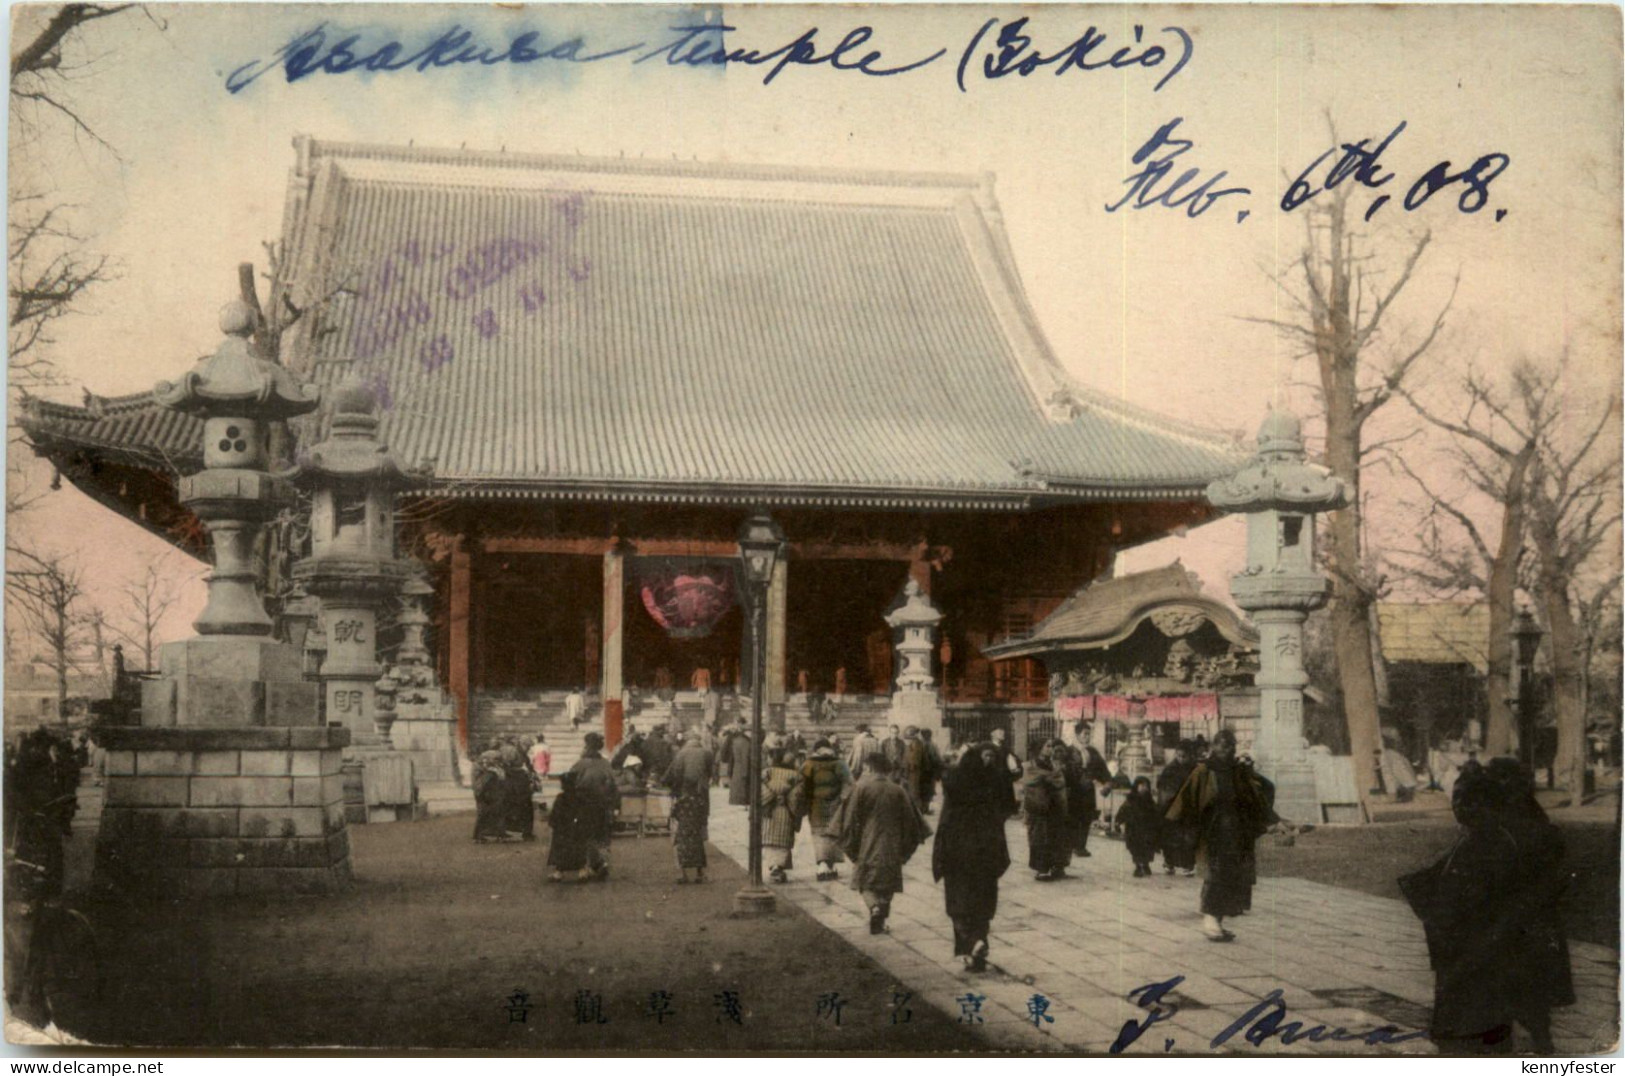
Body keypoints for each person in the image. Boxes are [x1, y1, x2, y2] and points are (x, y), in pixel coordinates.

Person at [1400, 759, 1574, 1053]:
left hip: (1505, 930)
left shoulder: (1501, 834)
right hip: (1505, 929)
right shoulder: (1495, 830)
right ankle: (1534, 1041)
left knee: (1511, 994)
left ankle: (1532, 1043)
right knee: (1517, 996)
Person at [1165, 729, 1277, 941]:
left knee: (1235, 877)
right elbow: (1185, 800)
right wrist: (1181, 829)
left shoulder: (1240, 771)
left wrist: (1268, 819)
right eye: (1222, 745)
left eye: (1231, 745)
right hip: (1213, 832)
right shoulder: (1203, 771)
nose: (1227, 749)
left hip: (1238, 832)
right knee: (1215, 876)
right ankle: (1210, 920)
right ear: (1213, 747)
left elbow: (1261, 793)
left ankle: (1218, 921)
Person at [932, 742, 1013, 971]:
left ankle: (970, 944)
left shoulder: (956, 783)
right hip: (986, 854)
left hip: (958, 855)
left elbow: (946, 823)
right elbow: (1002, 816)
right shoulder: (994, 783)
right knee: (982, 904)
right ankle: (977, 949)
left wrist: (940, 856)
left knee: (959, 904)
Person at [836, 753, 930, 934]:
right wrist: (906, 848)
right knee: (888, 882)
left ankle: (874, 908)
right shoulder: (898, 790)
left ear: (870, 768)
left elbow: (849, 820)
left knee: (865, 882)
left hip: (868, 841)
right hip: (892, 842)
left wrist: (851, 847)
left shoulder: (861, 788)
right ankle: (881, 915)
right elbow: (911, 822)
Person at [562, 731, 618, 881]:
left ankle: (591, 865)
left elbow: (570, 782)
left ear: (587, 745)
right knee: (601, 835)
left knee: (585, 835)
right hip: (602, 803)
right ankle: (601, 862)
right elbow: (613, 785)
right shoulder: (605, 764)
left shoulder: (580, 764)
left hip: (584, 803)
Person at [664, 731, 714, 884]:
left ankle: (683, 873)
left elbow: (673, 774)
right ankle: (700, 872)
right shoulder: (707, 753)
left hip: (684, 797)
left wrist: (671, 788)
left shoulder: (681, 753)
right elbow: (710, 773)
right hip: (701, 797)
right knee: (699, 833)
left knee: (680, 835)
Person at [799, 738, 851, 880]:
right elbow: (848, 783)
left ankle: (822, 864)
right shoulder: (839, 763)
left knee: (819, 833)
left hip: (816, 804)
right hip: (835, 804)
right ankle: (831, 864)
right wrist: (843, 798)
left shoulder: (809, 763)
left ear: (816, 750)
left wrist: (805, 802)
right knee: (833, 832)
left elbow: (801, 784)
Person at [1022, 739, 1072, 881]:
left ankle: (1058, 867)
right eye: (1048, 746)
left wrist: (1048, 778)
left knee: (1057, 836)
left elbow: (1060, 781)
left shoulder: (1055, 764)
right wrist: (1050, 777)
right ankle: (1041, 869)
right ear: (1039, 748)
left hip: (1055, 806)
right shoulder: (1030, 765)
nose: (1051, 749)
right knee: (1040, 837)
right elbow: (1031, 780)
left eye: (1052, 746)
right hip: (1039, 806)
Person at [760, 748, 803, 883]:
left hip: (769, 811)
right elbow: (797, 795)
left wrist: (771, 796)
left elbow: (760, 790)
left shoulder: (766, 773)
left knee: (769, 839)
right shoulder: (796, 776)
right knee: (783, 841)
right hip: (786, 811)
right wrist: (786, 800)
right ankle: (779, 867)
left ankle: (773, 866)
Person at [1157, 741, 1199, 875]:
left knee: (1189, 838)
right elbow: (1163, 787)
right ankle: (1169, 863)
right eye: (1179, 756)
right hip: (1171, 808)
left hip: (1189, 810)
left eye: (1184, 756)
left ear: (1190, 756)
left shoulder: (1195, 769)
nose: (1181, 759)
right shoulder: (1170, 769)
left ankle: (1188, 865)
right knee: (1170, 837)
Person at [1118, 776, 1162, 877]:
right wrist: (1119, 822)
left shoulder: (1150, 801)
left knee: (1148, 848)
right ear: (1136, 786)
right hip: (1134, 830)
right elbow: (1123, 811)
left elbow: (1156, 814)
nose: (1144, 788)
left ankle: (1145, 864)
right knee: (1135, 849)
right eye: (1141, 785)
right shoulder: (1130, 800)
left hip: (1148, 830)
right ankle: (1138, 866)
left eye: (1146, 786)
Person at [472, 750, 507, 843]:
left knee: (486, 815)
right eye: (496, 760)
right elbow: (484, 785)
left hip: (487, 796)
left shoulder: (486, 770)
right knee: (487, 815)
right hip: (488, 797)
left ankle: (482, 835)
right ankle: (480, 836)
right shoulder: (491, 772)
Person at [902, 726, 937, 811]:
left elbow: (914, 761)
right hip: (912, 773)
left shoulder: (916, 745)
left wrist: (906, 770)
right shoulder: (913, 744)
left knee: (914, 793)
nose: (907, 740)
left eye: (908, 738)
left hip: (914, 773)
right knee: (912, 793)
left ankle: (916, 811)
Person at [728, 724, 755, 807]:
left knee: (736, 785)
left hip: (736, 767)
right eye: (750, 732)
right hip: (743, 767)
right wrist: (745, 772)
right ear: (746, 732)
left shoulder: (736, 740)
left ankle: (735, 800)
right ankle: (741, 801)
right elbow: (745, 757)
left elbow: (732, 757)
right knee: (742, 787)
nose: (751, 734)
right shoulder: (745, 742)